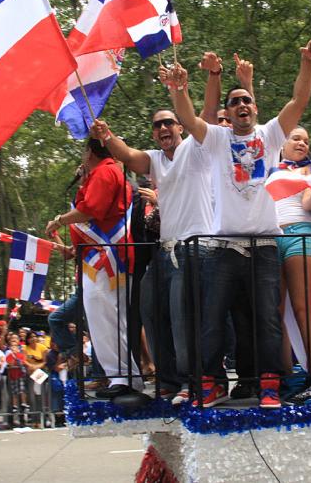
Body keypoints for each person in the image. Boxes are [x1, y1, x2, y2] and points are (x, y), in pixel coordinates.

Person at [165, 35, 311, 408]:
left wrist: (307, 62)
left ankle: (270, 388)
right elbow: (188, 119)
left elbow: (299, 101)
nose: (241, 105)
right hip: (224, 247)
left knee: (268, 321)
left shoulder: (271, 135)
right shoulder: (218, 138)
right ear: (228, 110)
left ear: (255, 108)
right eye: (234, 101)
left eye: (246, 100)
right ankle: (207, 385)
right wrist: (179, 88)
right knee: (211, 321)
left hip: (266, 246)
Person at [92, 106, 215, 405]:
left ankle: (192, 382)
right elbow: (127, 155)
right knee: (149, 308)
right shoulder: (155, 160)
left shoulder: (195, 149)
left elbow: (208, 114)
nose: (163, 129)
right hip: (165, 249)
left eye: (169, 123)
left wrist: (212, 77)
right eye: (158, 125)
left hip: (195, 247)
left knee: (180, 314)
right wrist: (106, 135)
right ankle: (169, 380)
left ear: (181, 127)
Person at [46, 137, 141, 399]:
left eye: (84, 150)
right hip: (95, 258)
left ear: (90, 151)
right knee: (103, 321)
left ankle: (123, 376)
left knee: (109, 319)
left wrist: (59, 221)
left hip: (106, 259)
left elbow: (91, 210)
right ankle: (116, 376)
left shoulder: (106, 171)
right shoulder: (101, 173)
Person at [270, 126, 311, 404]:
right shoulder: (270, 166)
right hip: (272, 238)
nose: (302, 143)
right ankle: (284, 378)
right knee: (276, 312)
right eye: (296, 138)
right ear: (283, 143)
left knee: (303, 307)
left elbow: (308, 203)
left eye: (306, 140)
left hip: (300, 236)